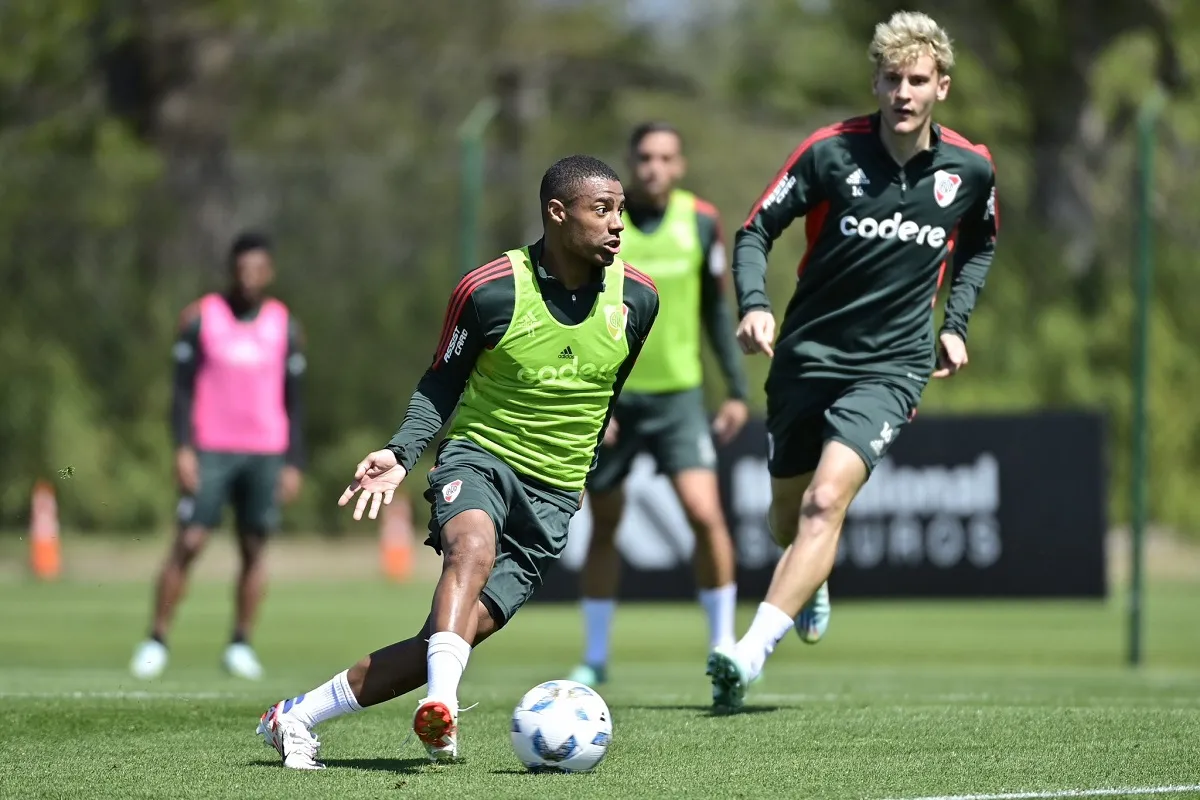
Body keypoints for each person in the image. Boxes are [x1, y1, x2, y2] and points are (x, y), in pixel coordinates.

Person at [255, 155, 660, 769]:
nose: (617, 225)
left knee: (444, 639)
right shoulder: (490, 290)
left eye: (620, 211)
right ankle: (442, 708)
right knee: (471, 550)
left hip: (555, 493)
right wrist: (400, 452)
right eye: (602, 210)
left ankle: (296, 716)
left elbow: (608, 389)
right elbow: (441, 382)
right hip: (482, 457)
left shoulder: (639, 298)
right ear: (557, 213)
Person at [707, 10, 1000, 710]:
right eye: (893, 79)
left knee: (824, 501)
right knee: (787, 519)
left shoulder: (970, 168)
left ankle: (748, 654)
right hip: (806, 355)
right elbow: (755, 230)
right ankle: (812, 578)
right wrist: (754, 303)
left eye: (918, 80)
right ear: (875, 81)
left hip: (891, 367)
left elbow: (980, 245)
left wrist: (955, 324)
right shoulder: (829, 153)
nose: (904, 92)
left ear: (942, 88)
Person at [567, 122, 749, 688]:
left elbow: (717, 311)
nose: (653, 168)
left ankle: (725, 650)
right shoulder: (603, 223)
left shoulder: (700, 220)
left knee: (705, 515)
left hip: (679, 397)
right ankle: (596, 656)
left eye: (665, 157)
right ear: (630, 162)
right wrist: (595, 397)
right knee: (604, 525)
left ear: (681, 164)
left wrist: (738, 389)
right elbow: (573, 309)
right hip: (613, 400)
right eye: (644, 157)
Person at [130, 231, 307, 681]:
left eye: (257, 269)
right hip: (210, 448)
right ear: (230, 270)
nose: (249, 278)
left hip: (266, 450)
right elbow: (182, 392)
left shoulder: (285, 325)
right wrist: (183, 447)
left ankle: (240, 643)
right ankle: (156, 639)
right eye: (241, 269)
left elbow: (295, 400)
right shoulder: (200, 317)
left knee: (253, 548)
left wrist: (294, 461)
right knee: (189, 541)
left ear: (270, 273)